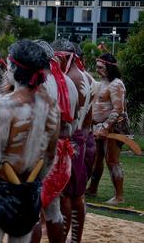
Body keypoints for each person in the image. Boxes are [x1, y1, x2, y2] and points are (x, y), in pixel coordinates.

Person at [0, 40, 59, 242]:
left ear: (15, 68)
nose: (6, 71)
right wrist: (33, 183)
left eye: (8, 64)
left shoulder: (7, 105)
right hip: (29, 189)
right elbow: (50, 156)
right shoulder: (51, 105)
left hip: (0, 188)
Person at [31, 40, 78, 243]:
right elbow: (73, 125)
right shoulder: (69, 83)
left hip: (40, 154)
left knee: (30, 213)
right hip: (63, 154)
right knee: (53, 210)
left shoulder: (37, 81)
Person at [52, 39, 96, 242]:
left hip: (70, 142)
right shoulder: (89, 78)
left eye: (55, 59)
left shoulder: (68, 80)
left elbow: (65, 118)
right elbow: (89, 118)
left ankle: (62, 238)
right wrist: (83, 140)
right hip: (84, 140)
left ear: (64, 57)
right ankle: (75, 239)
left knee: (65, 196)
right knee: (78, 195)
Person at [89, 52, 127, 205]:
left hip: (114, 127)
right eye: (97, 67)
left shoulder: (116, 84)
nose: (98, 70)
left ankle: (119, 196)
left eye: (101, 67)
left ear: (110, 67)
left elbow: (118, 109)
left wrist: (105, 127)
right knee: (97, 158)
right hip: (99, 127)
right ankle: (92, 188)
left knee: (112, 160)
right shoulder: (102, 83)